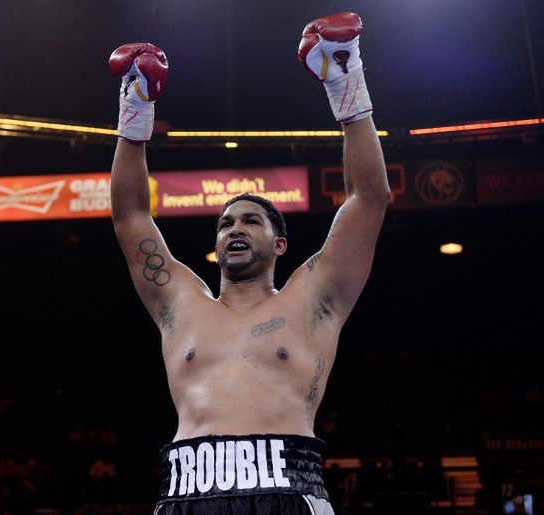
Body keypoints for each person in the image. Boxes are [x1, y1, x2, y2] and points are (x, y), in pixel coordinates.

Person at [108, 11, 389, 515]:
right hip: (188, 493)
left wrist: (346, 81)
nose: (234, 228)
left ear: (280, 245)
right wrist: (135, 111)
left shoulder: (314, 299)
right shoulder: (179, 302)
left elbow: (368, 198)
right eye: (225, 224)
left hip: (289, 491)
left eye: (250, 222)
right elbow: (130, 216)